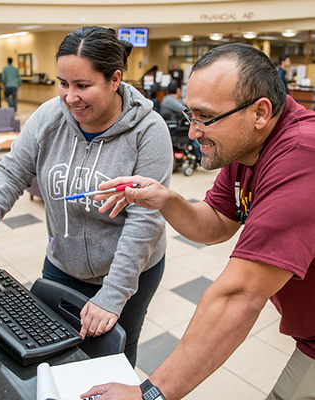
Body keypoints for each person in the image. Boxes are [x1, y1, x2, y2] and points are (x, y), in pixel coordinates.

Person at [82, 43, 315, 400]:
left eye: (205, 117)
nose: (193, 132)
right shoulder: (248, 146)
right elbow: (216, 224)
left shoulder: (302, 156)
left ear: (260, 112)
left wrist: (150, 394)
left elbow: (239, 296)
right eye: (191, 115)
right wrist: (166, 199)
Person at [0, 26, 173, 367]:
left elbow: (146, 221)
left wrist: (113, 296)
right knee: (53, 349)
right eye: (63, 84)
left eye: (83, 86)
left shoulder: (149, 131)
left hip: (128, 271)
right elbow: (14, 168)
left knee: (112, 355)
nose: (70, 97)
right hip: (62, 263)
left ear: (115, 79)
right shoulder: (49, 117)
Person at [160, 79, 201, 160]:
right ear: (178, 90)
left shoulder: (169, 99)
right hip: (174, 128)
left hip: (176, 126)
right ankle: (200, 155)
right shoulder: (169, 100)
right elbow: (185, 110)